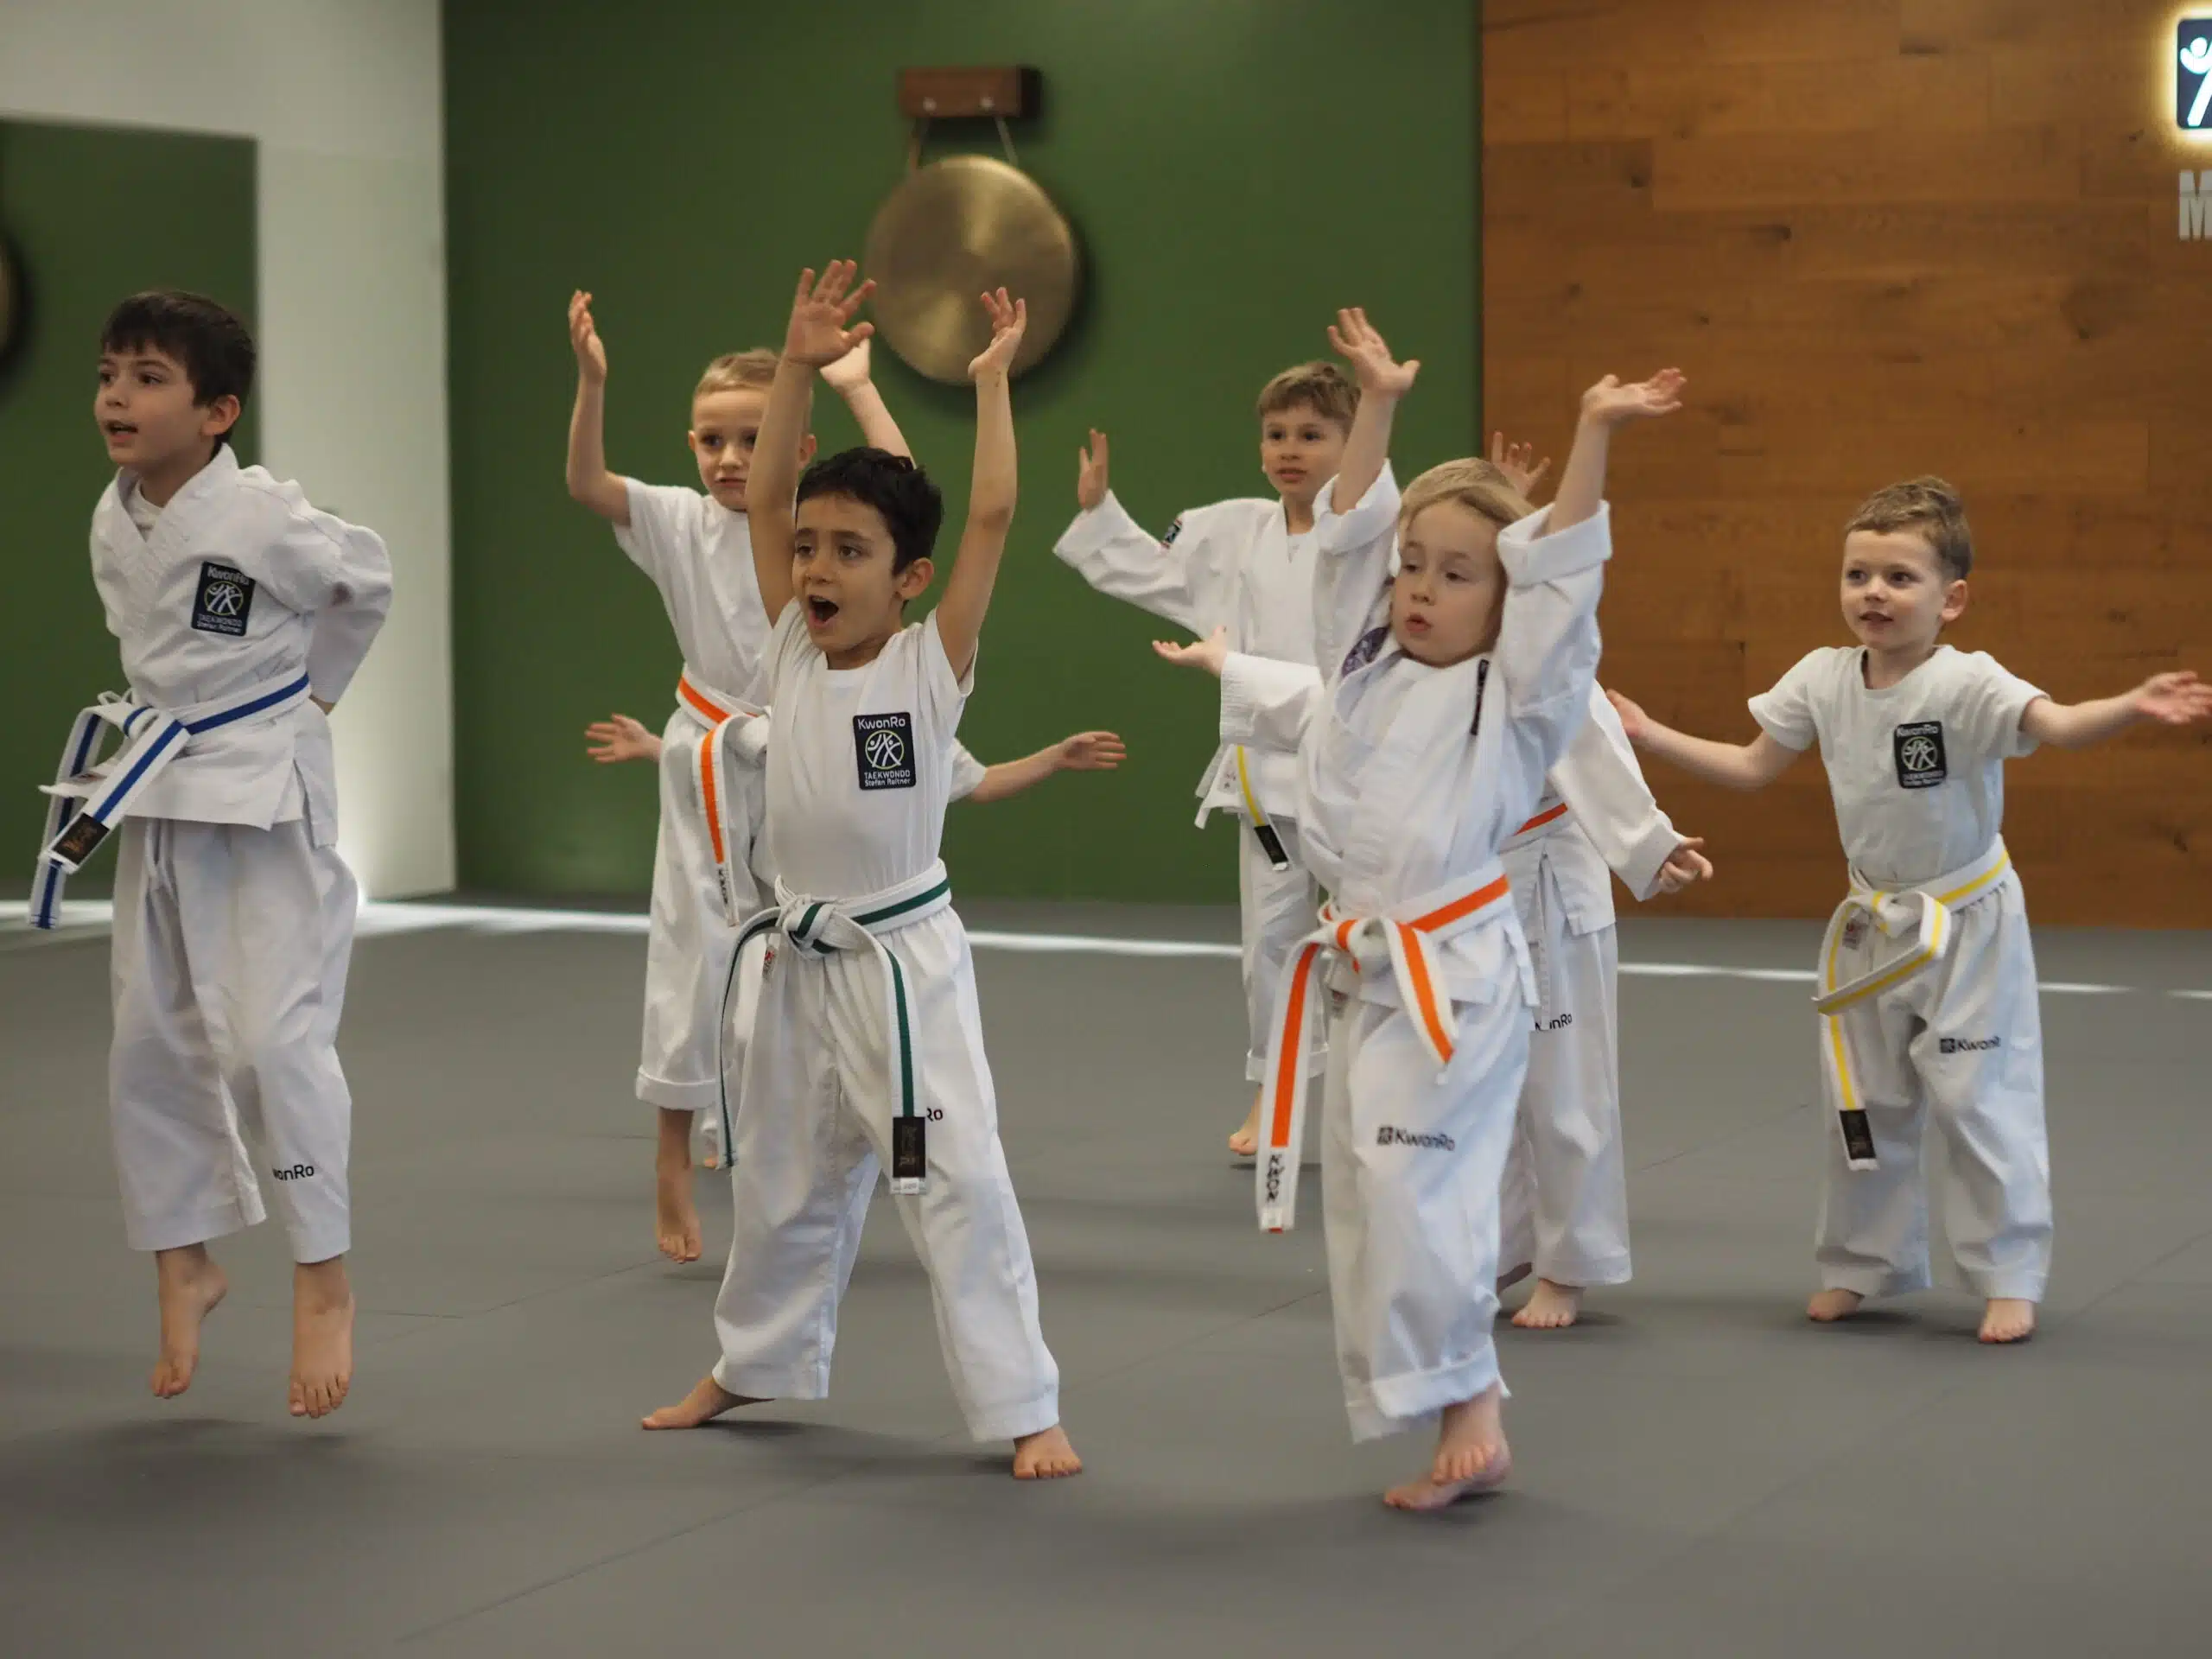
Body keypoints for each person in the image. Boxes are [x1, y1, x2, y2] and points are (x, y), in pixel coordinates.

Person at [1158, 303, 1683, 1507]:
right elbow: (1346, 546)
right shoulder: (1366, 672)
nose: (1420, 591)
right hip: (1366, 975)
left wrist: (1594, 432)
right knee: (1367, 1200)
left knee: (1408, 1188)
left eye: (1457, 575)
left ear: (1506, 600)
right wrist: (1379, 408)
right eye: (1413, 567)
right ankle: (1449, 1400)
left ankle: (1474, 1406)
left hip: (1458, 977)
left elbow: (1563, 581)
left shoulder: (1520, 695)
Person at [643, 264, 1079, 1478]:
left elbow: (991, 513)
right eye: (808, 550)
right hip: (793, 957)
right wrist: (794, 364)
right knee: (783, 1178)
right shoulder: (789, 646)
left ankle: (1024, 1403)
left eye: (850, 551)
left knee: (953, 1176)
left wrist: (992, 385)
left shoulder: (930, 664)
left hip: (901, 966)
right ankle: (754, 1361)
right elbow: (765, 492)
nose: (818, 570)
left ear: (910, 577)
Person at [1607, 477, 2212, 1344]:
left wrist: (2129, 707)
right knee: (1863, 1102)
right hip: (1871, 924)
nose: (1874, 594)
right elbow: (1750, 766)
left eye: (1899, 578)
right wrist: (1649, 734)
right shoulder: (1822, 678)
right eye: (1858, 575)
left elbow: (2058, 723)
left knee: (1979, 1098)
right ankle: (1864, 1265)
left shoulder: (1968, 683)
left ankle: (2008, 1273)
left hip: (1968, 922)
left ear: (1950, 599)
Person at [33, 289, 392, 1417]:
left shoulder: (266, 517)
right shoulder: (114, 521)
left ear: (218, 410)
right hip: (160, 788)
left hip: (261, 792)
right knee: (151, 1040)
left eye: (148, 378)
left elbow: (365, 584)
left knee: (274, 1045)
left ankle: (322, 1270)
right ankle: (183, 1257)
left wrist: (314, 696)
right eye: (108, 375)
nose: (116, 398)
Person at [564, 295, 910, 1262]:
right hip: (706, 757)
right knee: (693, 954)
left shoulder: (817, 528)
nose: (728, 458)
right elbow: (586, 482)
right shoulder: (675, 520)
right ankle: (672, 1158)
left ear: (800, 447)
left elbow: (904, 491)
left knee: (817, 949)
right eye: (712, 439)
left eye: (753, 439)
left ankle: (815, 1133)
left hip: (804, 755)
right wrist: (592, 382)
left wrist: (858, 386)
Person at [1055, 364, 1359, 1157]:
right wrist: (1101, 516)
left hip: (1358, 771)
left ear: (1352, 444)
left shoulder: (1371, 537)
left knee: (1369, 936)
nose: (1289, 449)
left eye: (1312, 435)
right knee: (1271, 945)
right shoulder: (1233, 531)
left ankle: (1373, 1090)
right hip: (1266, 772)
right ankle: (1275, 1093)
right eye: (1276, 434)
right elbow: (1165, 577)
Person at [585, 711, 1127, 804]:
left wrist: (1055, 758)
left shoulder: (911, 714)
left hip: (889, 930)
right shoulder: (799, 696)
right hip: (795, 917)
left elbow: (977, 783)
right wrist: (656, 747)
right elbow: (736, 766)